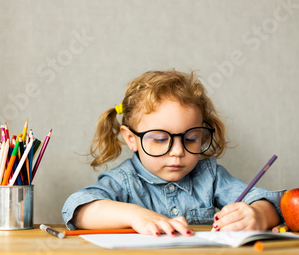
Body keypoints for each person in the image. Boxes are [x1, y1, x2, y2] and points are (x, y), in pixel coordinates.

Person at [61, 70, 283, 236]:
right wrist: (136, 215)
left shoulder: (210, 176)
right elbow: (77, 208)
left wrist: (258, 215)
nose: (177, 152)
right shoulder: (123, 180)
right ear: (131, 139)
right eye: (159, 139)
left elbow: (271, 203)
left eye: (190, 138)